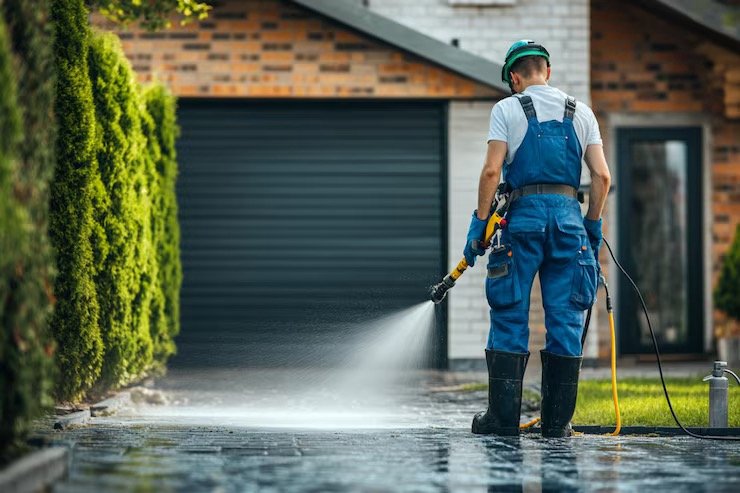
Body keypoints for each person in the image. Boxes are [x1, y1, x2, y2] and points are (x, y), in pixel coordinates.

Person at [463, 40, 611, 438]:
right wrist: (592, 226)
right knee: (565, 317)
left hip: (523, 220)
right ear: (548, 69)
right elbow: (602, 177)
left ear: (514, 77)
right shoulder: (582, 113)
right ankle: (556, 424)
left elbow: (492, 172)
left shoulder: (507, 109)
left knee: (509, 312)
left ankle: (502, 421)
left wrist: (479, 224)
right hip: (568, 223)